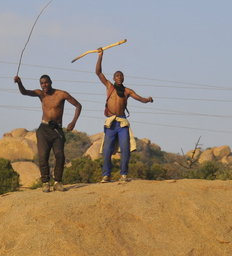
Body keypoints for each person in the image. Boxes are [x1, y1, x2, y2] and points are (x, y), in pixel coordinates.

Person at [14, 74, 82, 192]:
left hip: (57, 130)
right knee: (43, 156)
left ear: (51, 82)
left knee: (60, 155)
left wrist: (73, 122)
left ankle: (58, 182)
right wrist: (19, 82)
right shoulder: (41, 94)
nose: (44, 85)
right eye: (42, 83)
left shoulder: (61, 94)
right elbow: (24, 92)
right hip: (43, 129)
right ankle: (45, 182)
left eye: (46, 82)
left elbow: (78, 105)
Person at [95, 47, 153, 182]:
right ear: (114, 78)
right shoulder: (109, 86)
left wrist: (148, 99)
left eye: (121, 76)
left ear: (123, 78)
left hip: (122, 122)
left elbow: (140, 99)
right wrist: (100, 56)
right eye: (117, 76)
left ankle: (124, 174)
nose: (119, 78)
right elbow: (98, 72)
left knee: (125, 149)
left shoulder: (127, 91)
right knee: (107, 150)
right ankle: (106, 175)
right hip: (111, 122)